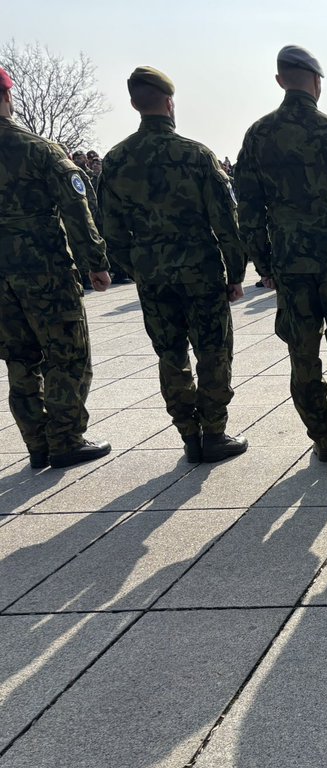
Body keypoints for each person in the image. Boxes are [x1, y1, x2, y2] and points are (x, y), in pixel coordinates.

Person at [236, 45, 327, 464]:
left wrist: (264, 264)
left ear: (280, 80)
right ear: (317, 82)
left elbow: (248, 208)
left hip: (291, 265)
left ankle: (320, 434)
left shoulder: (258, 136)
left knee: (302, 352)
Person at [98, 66, 249, 465]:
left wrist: (139, 266)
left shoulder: (115, 161)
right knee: (213, 351)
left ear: (134, 104)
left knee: (170, 354)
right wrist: (236, 274)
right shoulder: (196, 156)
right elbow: (226, 224)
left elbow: (110, 232)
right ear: (169, 102)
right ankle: (214, 433)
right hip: (200, 271)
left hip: (153, 274)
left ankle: (189, 435)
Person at [0, 64, 113, 470]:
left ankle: (37, 443)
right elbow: (75, 208)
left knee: (19, 357)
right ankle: (66, 439)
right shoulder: (38, 149)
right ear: (8, 96)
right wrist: (95, 263)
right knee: (67, 353)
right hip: (42, 268)